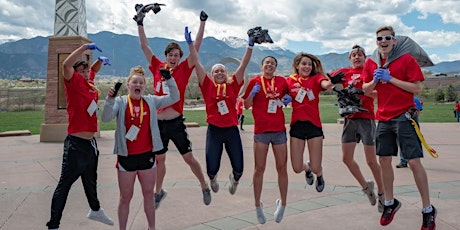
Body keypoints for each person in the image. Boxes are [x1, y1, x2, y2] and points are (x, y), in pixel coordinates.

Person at [134, 8, 211, 207]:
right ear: (166, 55)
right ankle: (158, 192)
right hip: (158, 123)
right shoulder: (157, 66)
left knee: (189, 158)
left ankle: (203, 185)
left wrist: (201, 25)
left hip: (175, 122)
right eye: (171, 55)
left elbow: (198, 48)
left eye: (177, 55)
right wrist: (140, 23)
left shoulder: (184, 68)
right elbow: (144, 46)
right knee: (160, 159)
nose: (174, 58)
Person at [362, 25, 437, 230]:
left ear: (394, 40)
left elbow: (417, 88)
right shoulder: (371, 62)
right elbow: (365, 89)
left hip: (404, 115)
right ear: (376, 42)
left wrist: (390, 78)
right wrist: (374, 82)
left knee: (413, 163)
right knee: (384, 160)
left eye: (388, 38)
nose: (383, 41)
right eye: (379, 39)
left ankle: (428, 209)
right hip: (384, 118)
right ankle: (389, 202)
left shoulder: (406, 60)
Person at [101, 66, 179, 230]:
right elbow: (106, 118)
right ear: (129, 84)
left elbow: (174, 97)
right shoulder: (121, 102)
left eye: (141, 82)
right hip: (126, 158)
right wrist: (109, 100)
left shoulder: (151, 101)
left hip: (147, 157)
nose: (138, 84)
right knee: (125, 198)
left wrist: (169, 80)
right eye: (134, 82)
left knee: (149, 196)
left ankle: (152, 227)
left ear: (144, 86)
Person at [46, 43, 113, 230]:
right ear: (75, 73)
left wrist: (99, 61)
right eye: (80, 71)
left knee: (91, 180)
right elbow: (66, 66)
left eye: (85, 71)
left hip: (90, 143)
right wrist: (84, 47)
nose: (84, 73)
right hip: (76, 144)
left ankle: (95, 210)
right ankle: (53, 225)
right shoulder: (72, 82)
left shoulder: (88, 82)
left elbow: (93, 71)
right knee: (65, 184)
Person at [186, 28, 254, 195]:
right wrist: (190, 45)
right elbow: (196, 62)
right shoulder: (207, 85)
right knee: (211, 167)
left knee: (239, 167)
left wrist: (250, 46)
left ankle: (234, 179)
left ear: (227, 73)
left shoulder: (233, 85)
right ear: (212, 75)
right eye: (216, 71)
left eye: (222, 70)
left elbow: (243, 65)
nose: (220, 73)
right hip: (214, 130)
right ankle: (212, 179)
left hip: (231, 130)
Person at [329, 45, 385, 212]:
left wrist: (360, 92)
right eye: (353, 55)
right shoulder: (343, 72)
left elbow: (379, 93)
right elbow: (328, 84)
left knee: (371, 161)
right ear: (349, 58)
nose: (357, 57)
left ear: (365, 57)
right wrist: (335, 87)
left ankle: (382, 194)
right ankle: (366, 187)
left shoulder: (369, 70)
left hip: (366, 118)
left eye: (360, 54)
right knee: (347, 159)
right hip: (349, 119)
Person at [242, 56, 290, 224]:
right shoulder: (254, 81)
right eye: (267, 62)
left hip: (279, 131)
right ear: (262, 66)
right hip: (261, 131)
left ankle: (283, 204)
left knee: (282, 167)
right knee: (259, 168)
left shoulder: (282, 81)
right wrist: (252, 94)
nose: (269, 65)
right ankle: (257, 206)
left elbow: (289, 98)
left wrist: (287, 99)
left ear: (276, 67)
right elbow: (246, 105)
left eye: (273, 63)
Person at [285, 53, 334, 195]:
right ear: (297, 65)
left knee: (317, 166)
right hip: (297, 126)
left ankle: (319, 175)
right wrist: (284, 98)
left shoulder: (316, 78)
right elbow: (279, 94)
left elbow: (326, 84)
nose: (307, 67)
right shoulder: (290, 80)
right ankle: (308, 169)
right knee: (296, 167)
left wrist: (332, 82)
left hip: (314, 126)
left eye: (309, 64)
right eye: (304, 64)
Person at [396, 96, 423, 168]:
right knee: (401, 142)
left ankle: (414, 159)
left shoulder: (415, 99)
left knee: (414, 142)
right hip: (401, 123)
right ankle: (403, 161)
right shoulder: (399, 98)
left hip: (413, 124)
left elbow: (418, 112)